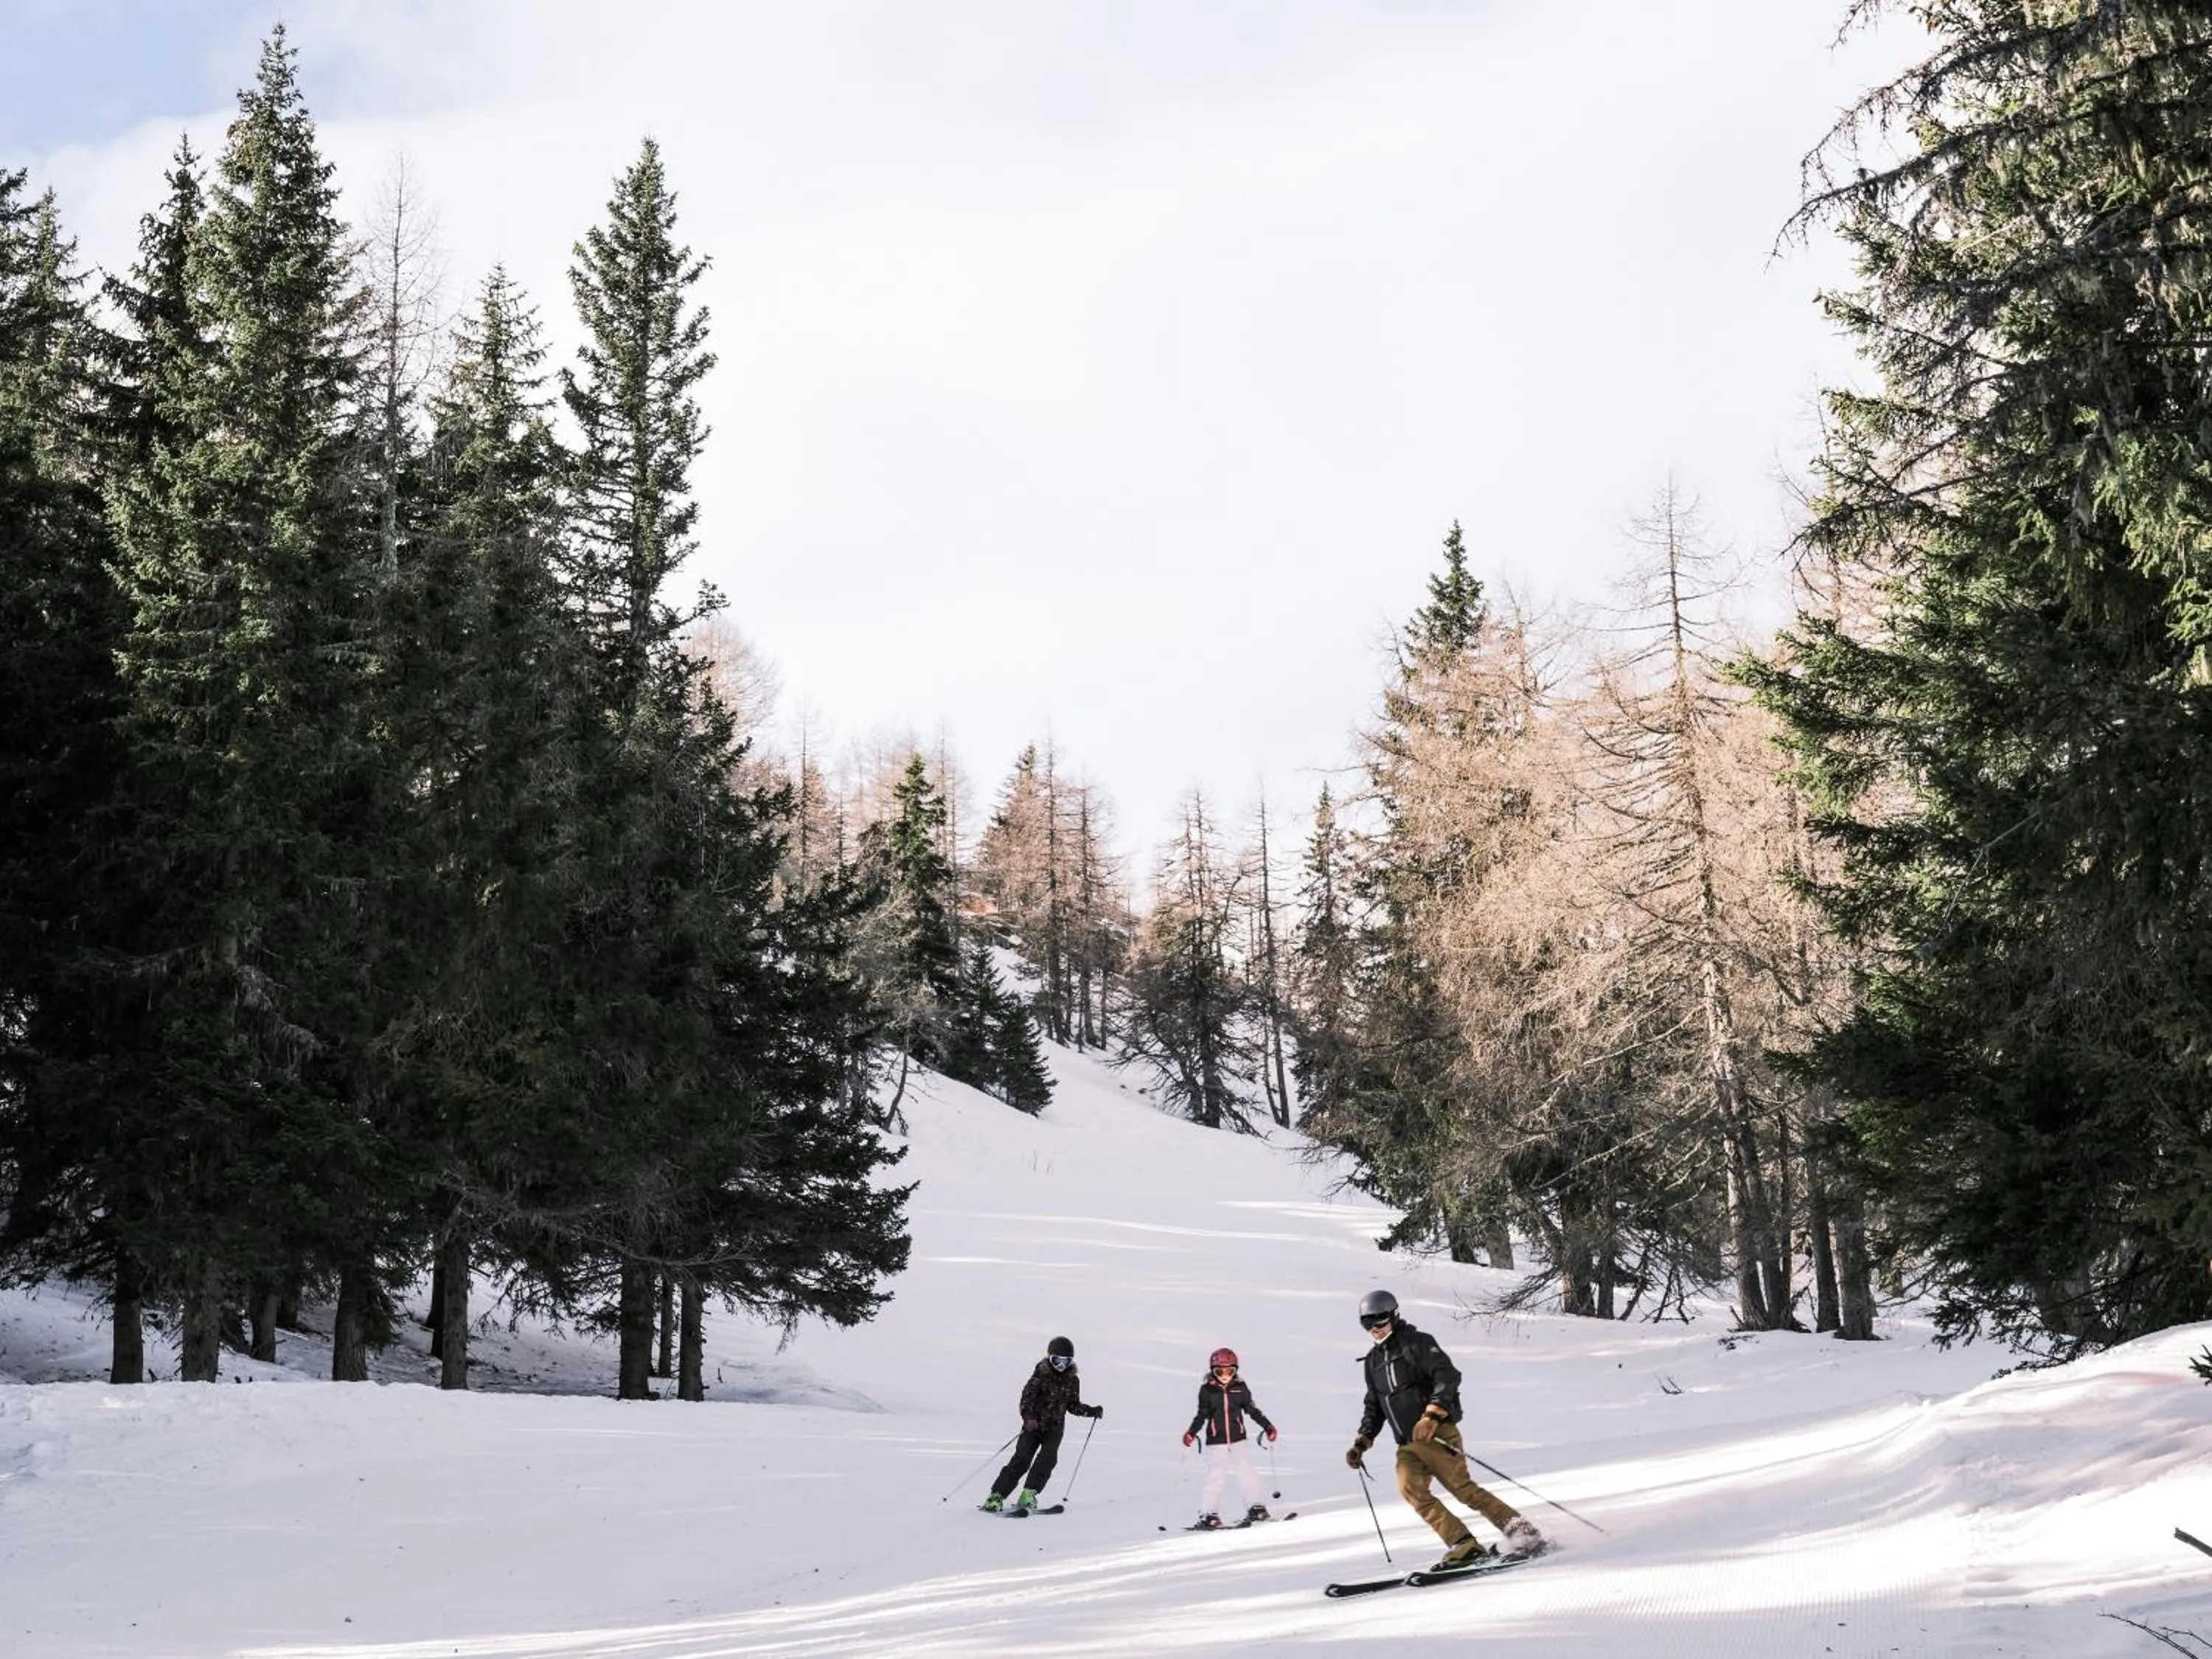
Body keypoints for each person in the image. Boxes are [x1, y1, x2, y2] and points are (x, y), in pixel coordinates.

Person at [1343, 1288, 1545, 1568]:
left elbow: (1447, 1376)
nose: (1375, 1329)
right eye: (1368, 1323)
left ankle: (1525, 1535)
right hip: (1407, 1444)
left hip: (1436, 1435)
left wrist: (1431, 1417)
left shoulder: (1417, 1343)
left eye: (1380, 1321)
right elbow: (1374, 1406)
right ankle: (1464, 1544)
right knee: (1411, 1490)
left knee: (1464, 1491)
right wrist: (1361, 1443)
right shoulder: (1373, 1361)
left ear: (1394, 1316)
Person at [982, 1335, 1104, 1513]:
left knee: (1047, 1460)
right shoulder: (1040, 1375)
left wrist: (1091, 1411)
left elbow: (1072, 1405)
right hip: (1034, 1426)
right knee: (1022, 1460)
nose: (1061, 1366)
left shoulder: (1072, 1380)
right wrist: (1029, 1418)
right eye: (1057, 1360)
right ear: (1049, 1357)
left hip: (1055, 1428)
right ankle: (996, 1496)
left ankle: (1028, 1495)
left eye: (1066, 1361)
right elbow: (1026, 1401)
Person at [1181, 1346, 1279, 1528]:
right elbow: (1201, 1415)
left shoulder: (1240, 1388)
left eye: (1229, 1371)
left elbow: (1253, 1410)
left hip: (1238, 1439)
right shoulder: (1207, 1391)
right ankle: (1208, 1514)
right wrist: (1191, 1432)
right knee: (1215, 1476)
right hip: (1216, 1442)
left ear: (1235, 1371)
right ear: (1212, 1371)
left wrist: (1268, 1426)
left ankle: (1255, 1508)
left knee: (1246, 1471)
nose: (1225, 1375)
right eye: (1219, 1371)